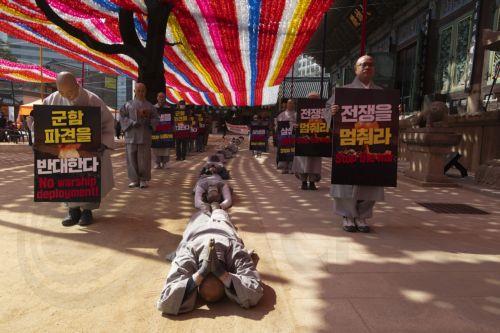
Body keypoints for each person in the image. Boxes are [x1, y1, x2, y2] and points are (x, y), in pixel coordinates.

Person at [326, 55, 401, 233]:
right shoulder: (342, 92)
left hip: (372, 141)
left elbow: (388, 121)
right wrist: (332, 111)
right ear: (356, 69)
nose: (367, 67)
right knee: (346, 181)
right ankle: (347, 216)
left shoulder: (383, 94)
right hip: (350, 141)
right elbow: (327, 112)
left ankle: (362, 216)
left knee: (371, 179)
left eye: (370, 65)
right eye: (363, 64)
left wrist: (394, 111)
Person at [41, 72, 115, 226]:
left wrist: (102, 144)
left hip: (88, 150)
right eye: (63, 93)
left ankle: (87, 211)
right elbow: (41, 122)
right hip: (65, 150)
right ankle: (72, 211)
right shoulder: (52, 99)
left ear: (77, 84)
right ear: (58, 90)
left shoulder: (92, 99)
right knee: (67, 179)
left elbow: (108, 124)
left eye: (71, 91)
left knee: (89, 178)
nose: (68, 96)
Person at [157, 209, 263, 315]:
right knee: (219, 210)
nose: (210, 269)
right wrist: (221, 273)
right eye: (216, 272)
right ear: (226, 273)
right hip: (223, 226)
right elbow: (255, 291)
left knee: (202, 210)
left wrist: (201, 273)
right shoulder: (235, 251)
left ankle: (206, 206)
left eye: (206, 273)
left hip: (196, 229)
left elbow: (165, 302)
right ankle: (216, 206)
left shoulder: (188, 253)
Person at [120, 83, 159, 189]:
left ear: (145, 92)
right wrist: (132, 122)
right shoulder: (127, 105)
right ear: (134, 91)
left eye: (143, 91)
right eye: (139, 91)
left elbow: (156, 118)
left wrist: (149, 121)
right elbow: (122, 117)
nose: (141, 93)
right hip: (131, 135)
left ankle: (143, 179)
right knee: (131, 158)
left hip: (144, 135)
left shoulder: (150, 106)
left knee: (144, 159)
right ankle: (134, 179)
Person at [292, 92, 323, 190]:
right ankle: (304, 182)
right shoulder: (300, 112)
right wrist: (295, 126)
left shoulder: (323, 111)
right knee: (302, 161)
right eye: (311, 99)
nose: (313, 101)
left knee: (315, 162)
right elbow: (293, 124)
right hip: (303, 141)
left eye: (315, 99)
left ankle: (313, 182)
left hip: (316, 142)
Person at [275, 99, 296, 174]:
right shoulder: (281, 115)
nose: (290, 105)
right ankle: (284, 167)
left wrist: (294, 126)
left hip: (292, 136)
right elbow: (277, 126)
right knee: (283, 151)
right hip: (283, 137)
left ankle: (291, 167)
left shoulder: (297, 114)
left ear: (294, 105)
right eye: (289, 103)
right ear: (286, 105)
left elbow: (299, 125)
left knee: (292, 151)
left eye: (292, 104)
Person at [152, 92, 170, 169]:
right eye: (160, 97)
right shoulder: (153, 108)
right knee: (156, 147)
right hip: (156, 131)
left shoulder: (168, 108)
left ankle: (165, 162)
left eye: (163, 97)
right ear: (157, 98)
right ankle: (157, 163)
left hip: (166, 130)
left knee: (165, 147)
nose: (161, 99)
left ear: (165, 98)